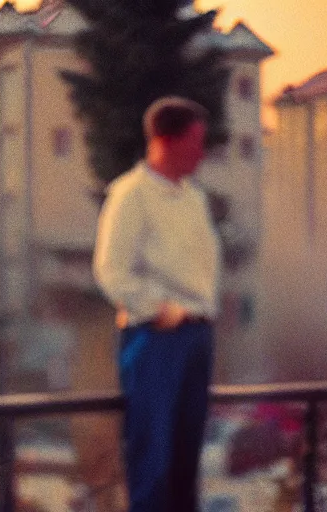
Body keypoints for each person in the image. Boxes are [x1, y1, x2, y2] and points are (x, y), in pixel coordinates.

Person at [93, 96, 221, 512]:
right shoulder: (131, 195)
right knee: (153, 459)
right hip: (155, 337)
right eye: (195, 142)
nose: (202, 152)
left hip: (197, 335)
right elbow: (112, 271)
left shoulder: (193, 198)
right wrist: (161, 310)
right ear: (166, 140)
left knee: (186, 459)